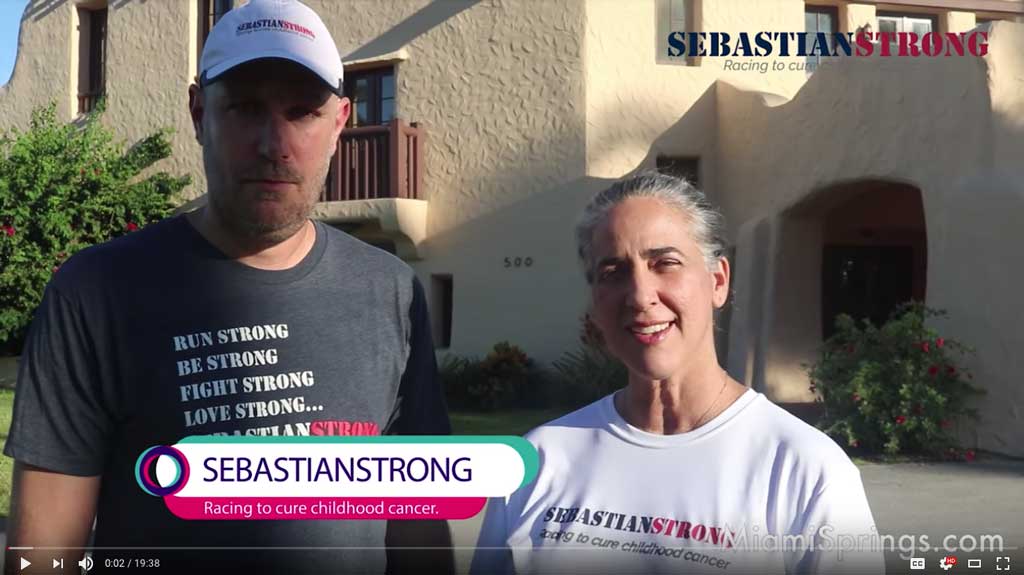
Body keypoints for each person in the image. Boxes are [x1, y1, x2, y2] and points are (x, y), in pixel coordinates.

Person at [3, 1, 452, 573]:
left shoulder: (393, 291)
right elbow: (43, 554)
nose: (274, 143)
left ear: (340, 122)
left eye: (302, 111)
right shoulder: (96, 292)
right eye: (245, 108)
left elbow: (419, 524)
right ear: (198, 113)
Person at [470, 172, 884, 574]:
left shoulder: (803, 469)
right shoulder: (539, 461)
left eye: (665, 263)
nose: (640, 296)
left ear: (718, 281)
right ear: (595, 301)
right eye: (613, 273)